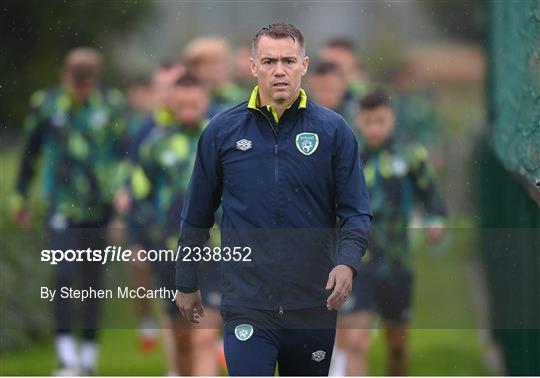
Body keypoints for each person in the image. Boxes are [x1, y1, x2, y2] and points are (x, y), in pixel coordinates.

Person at [175, 23, 371, 376]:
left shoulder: (334, 131)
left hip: (314, 301)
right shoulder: (222, 132)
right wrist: (185, 280)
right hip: (247, 303)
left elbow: (356, 212)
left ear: (304, 65)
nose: (279, 70)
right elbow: (197, 215)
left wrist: (348, 262)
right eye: (268, 62)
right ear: (253, 67)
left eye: (288, 61)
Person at [9, 47, 125, 375]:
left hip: (100, 208)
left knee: (91, 281)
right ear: (65, 76)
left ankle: (88, 354)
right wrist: (20, 197)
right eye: (75, 82)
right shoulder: (46, 105)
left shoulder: (111, 105)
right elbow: (29, 153)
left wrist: (121, 204)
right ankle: (66, 355)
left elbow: (124, 154)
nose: (80, 89)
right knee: (63, 276)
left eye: (86, 83)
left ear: (95, 80)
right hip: (61, 206)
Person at [332, 91, 446, 376]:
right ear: (359, 120)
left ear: (392, 119)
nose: (374, 128)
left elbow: (432, 196)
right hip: (357, 261)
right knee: (356, 341)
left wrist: (435, 221)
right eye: (368, 121)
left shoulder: (411, 156)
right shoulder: (346, 157)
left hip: (396, 261)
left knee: (397, 345)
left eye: (380, 121)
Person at [183, 37, 245, 117]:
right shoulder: (185, 98)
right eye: (206, 64)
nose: (214, 69)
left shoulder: (238, 98)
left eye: (218, 62)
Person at [307, 61, 357, 125]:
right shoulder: (300, 115)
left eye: (330, 89)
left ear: (343, 87)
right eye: (320, 90)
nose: (325, 96)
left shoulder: (357, 115)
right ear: (310, 89)